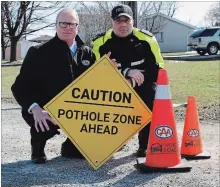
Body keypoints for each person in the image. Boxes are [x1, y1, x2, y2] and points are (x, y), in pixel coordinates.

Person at [11, 8, 96, 164]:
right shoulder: (38, 52)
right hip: (46, 109)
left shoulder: (88, 53)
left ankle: (71, 146)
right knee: (42, 122)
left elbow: (96, 85)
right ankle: (38, 146)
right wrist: (35, 109)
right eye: (63, 24)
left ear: (77, 26)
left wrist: (110, 71)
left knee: (79, 152)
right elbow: (19, 86)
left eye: (72, 24)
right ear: (56, 25)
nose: (68, 28)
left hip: (77, 110)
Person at [91, 4, 165, 157]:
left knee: (150, 94)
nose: (123, 25)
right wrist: (126, 72)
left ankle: (145, 144)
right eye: (118, 21)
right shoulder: (100, 42)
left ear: (133, 22)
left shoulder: (147, 39)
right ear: (112, 23)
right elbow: (95, 74)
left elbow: (159, 70)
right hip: (113, 86)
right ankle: (115, 140)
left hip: (143, 83)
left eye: (127, 20)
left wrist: (134, 80)